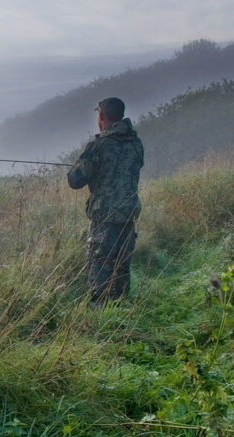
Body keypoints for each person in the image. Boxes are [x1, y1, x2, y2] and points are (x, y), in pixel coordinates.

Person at [67, 97, 144, 305]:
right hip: (128, 216)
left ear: (101, 117)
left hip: (104, 217)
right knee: (121, 270)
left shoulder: (98, 146)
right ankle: (121, 315)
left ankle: (99, 321)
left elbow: (75, 180)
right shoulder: (136, 143)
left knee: (99, 268)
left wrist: (79, 164)